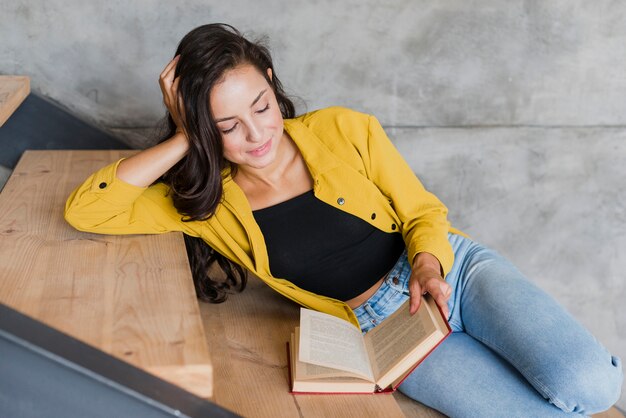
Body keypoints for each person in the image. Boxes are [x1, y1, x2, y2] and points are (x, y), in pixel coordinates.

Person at [64, 23, 622, 417]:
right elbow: (88, 209)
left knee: (593, 386)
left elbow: (423, 211)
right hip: (384, 329)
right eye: (227, 125)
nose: (257, 135)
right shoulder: (204, 202)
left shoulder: (342, 129)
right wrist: (189, 135)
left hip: (452, 272)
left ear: (270, 77)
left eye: (260, 106)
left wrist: (428, 263)